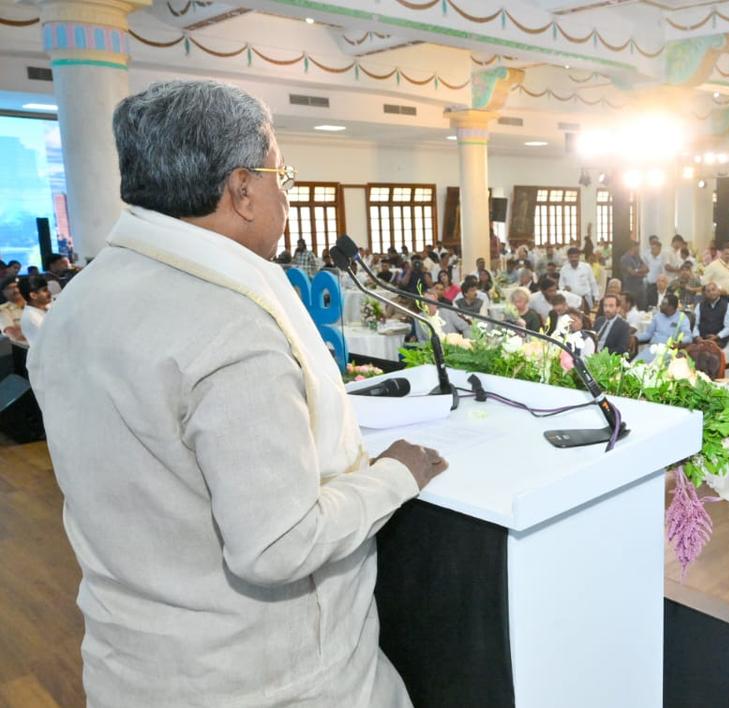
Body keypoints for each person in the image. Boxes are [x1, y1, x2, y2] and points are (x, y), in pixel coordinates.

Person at [28, 80, 446, 707]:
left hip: (133, 662)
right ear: (242, 189)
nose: (286, 196)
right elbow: (278, 545)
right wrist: (395, 475)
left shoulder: (78, 299)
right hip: (260, 676)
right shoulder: (230, 324)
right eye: (285, 176)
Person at [635, 293, 692, 361]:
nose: (660, 306)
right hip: (653, 348)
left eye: (663, 304)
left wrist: (679, 342)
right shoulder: (657, 316)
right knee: (634, 364)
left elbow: (688, 336)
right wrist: (635, 338)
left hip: (668, 351)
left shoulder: (682, 318)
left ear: (671, 307)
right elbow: (648, 334)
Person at [693, 282, 729, 348]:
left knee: (708, 352)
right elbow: (694, 324)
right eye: (708, 291)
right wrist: (697, 336)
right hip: (701, 339)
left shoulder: (727, 306)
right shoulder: (700, 305)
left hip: (718, 340)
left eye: (713, 290)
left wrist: (717, 336)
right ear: (705, 294)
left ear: (719, 291)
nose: (711, 292)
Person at [17, 275, 52, 348]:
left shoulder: (48, 306)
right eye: (45, 290)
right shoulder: (31, 317)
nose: (50, 292)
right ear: (33, 295)